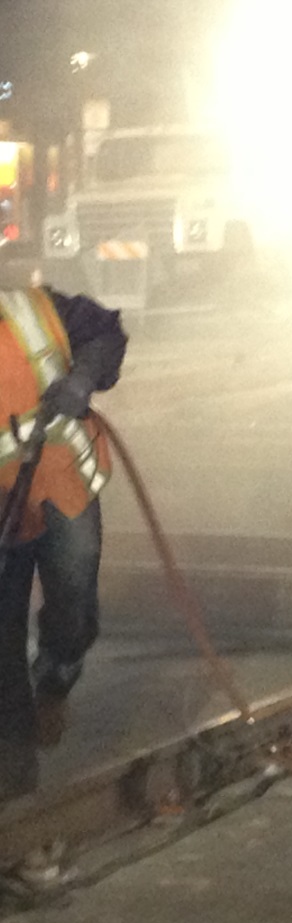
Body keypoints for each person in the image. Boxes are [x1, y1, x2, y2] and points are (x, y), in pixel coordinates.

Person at [0, 285, 125, 801]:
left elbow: (103, 330)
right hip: (3, 506)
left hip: (61, 486)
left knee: (72, 603)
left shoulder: (32, 310)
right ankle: (14, 777)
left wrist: (82, 377)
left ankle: (56, 675)